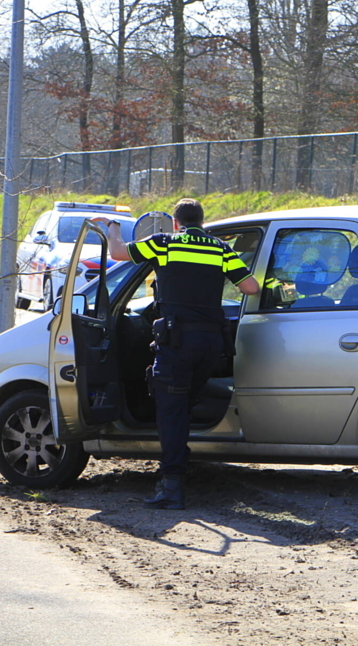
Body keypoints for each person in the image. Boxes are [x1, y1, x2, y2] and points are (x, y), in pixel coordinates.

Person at [102, 199, 259, 509]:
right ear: (202, 221)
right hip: (211, 344)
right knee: (184, 403)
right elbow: (251, 287)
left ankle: (172, 486)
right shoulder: (221, 249)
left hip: (177, 343)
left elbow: (118, 253)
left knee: (171, 410)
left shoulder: (165, 244)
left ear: (175, 223)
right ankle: (182, 461)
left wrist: (112, 228)